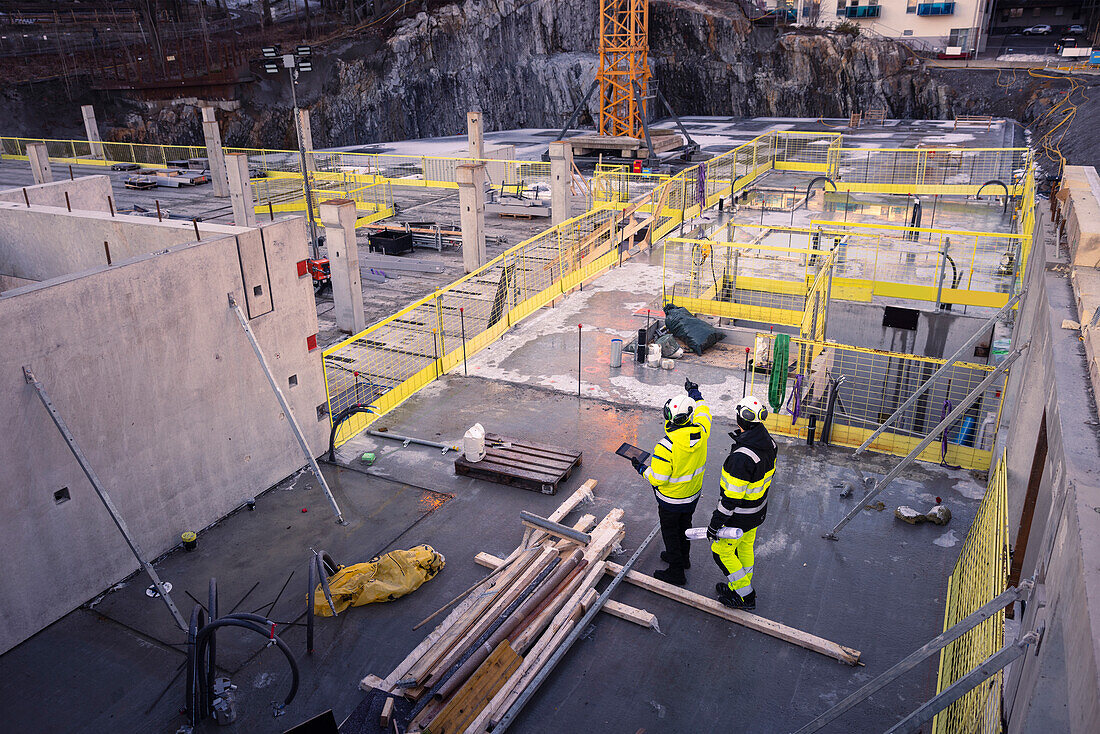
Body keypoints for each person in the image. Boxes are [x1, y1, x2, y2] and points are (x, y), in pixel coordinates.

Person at [633, 378, 711, 586]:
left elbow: (658, 478)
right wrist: (694, 392)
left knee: (670, 533)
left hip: (671, 500)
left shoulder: (666, 446)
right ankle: (683, 559)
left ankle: (676, 572)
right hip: (692, 496)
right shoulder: (702, 432)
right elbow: (704, 411)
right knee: (685, 527)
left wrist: (641, 468)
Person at [706, 395, 777, 610]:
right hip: (756, 512)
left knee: (722, 552)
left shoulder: (742, 456)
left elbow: (732, 497)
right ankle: (739, 587)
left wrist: (715, 524)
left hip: (739, 516)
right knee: (745, 547)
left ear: (740, 419)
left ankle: (745, 595)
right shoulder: (769, 443)